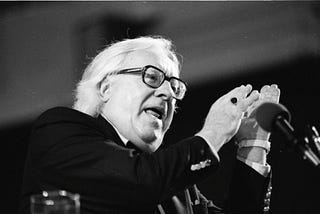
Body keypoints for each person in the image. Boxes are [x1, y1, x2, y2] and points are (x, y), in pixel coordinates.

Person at [20, 36, 280, 214]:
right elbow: (139, 181)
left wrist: (252, 143)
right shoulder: (59, 133)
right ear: (106, 87)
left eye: (174, 87)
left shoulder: (178, 187)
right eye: (152, 77)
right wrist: (213, 133)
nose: (167, 93)